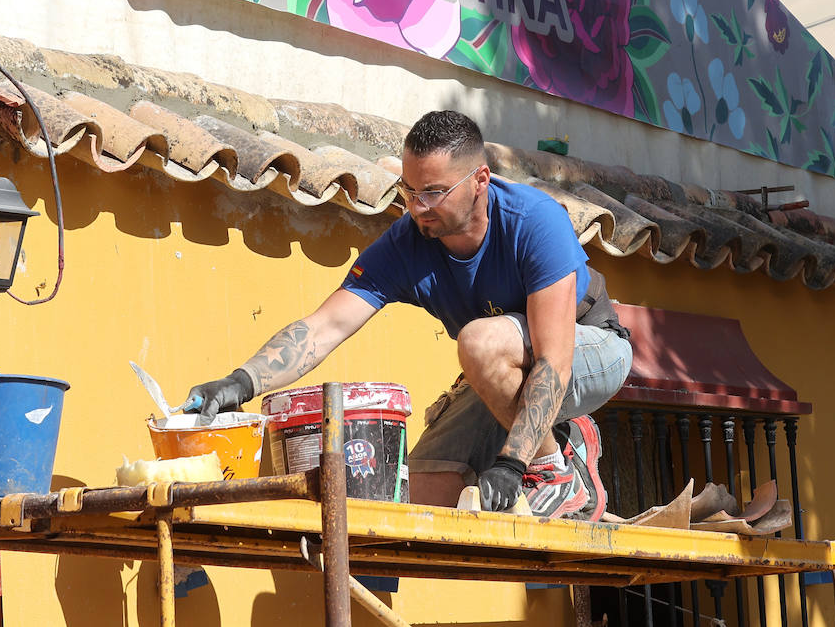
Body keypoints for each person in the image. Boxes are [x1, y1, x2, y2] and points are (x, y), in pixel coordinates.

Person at [181, 110, 632, 517]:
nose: (418, 207)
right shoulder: (406, 244)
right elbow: (325, 326)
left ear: (480, 180)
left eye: (434, 193)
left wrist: (514, 463)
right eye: (410, 191)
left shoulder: (534, 221)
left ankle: (556, 466)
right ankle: (552, 455)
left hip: (590, 346)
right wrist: (241, 381)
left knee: (478, 343)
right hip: (498, 370)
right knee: (418, 495)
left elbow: (555, 359)